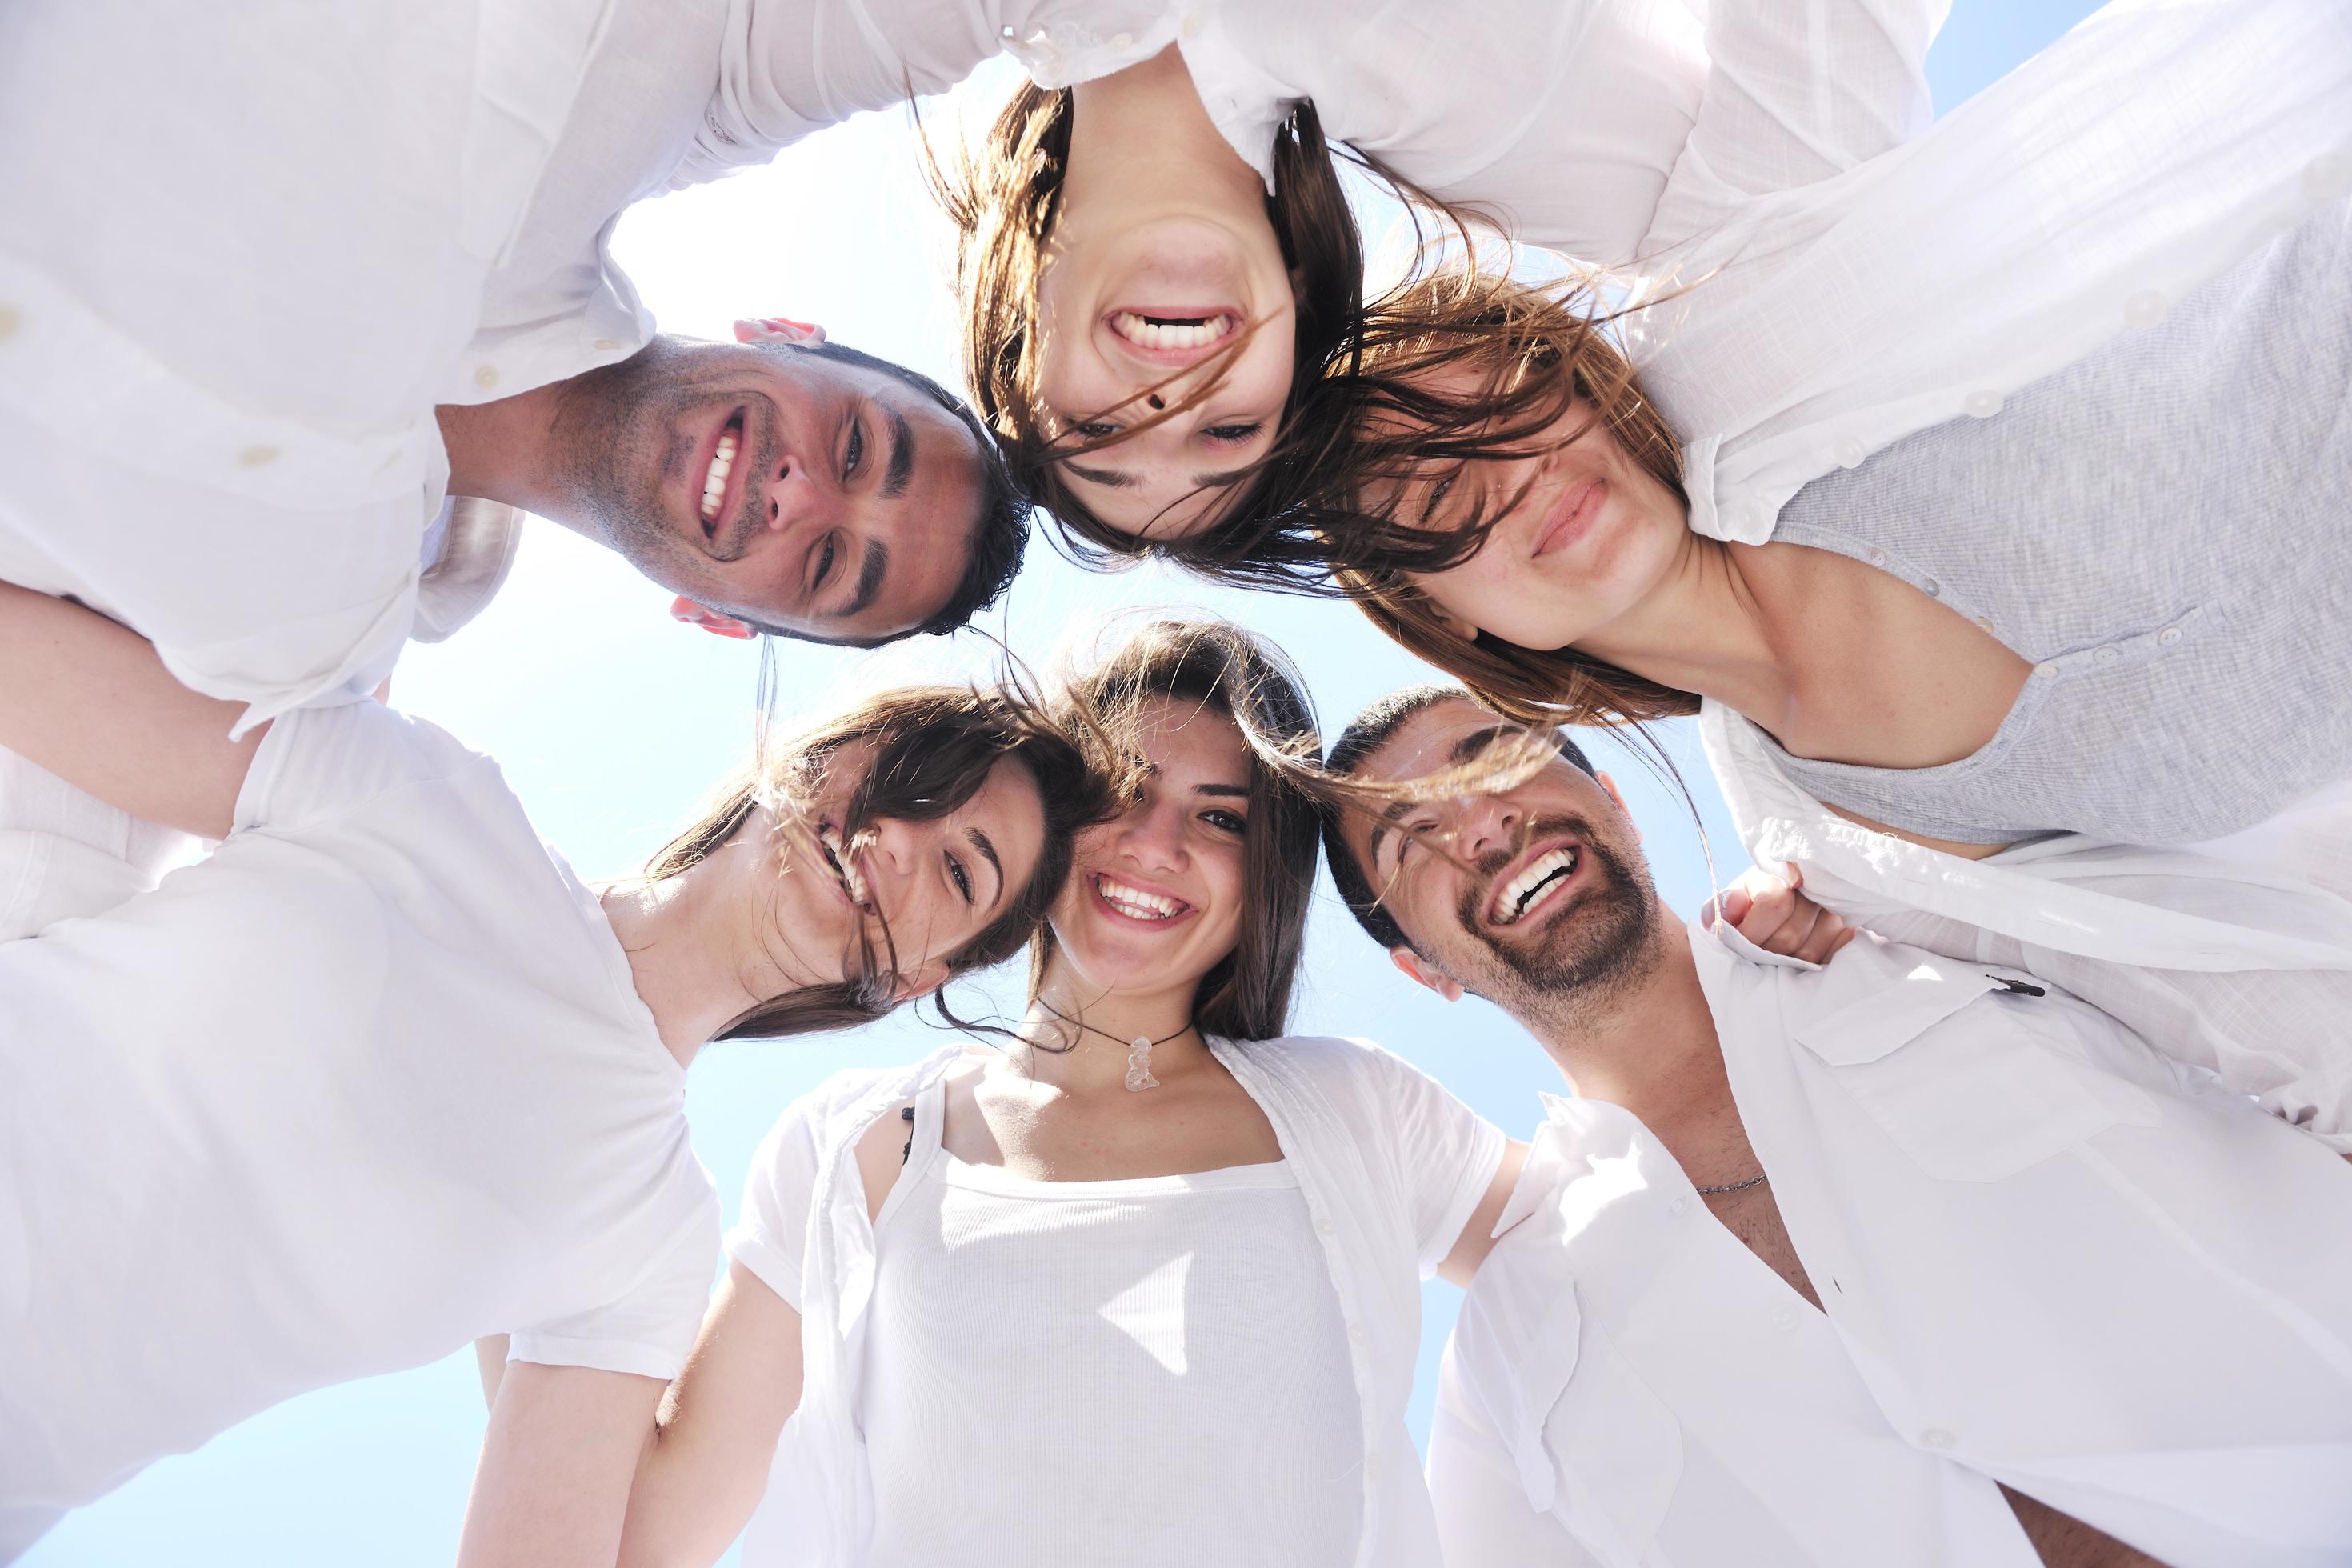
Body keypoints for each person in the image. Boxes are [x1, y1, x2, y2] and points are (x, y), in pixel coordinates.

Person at [0, 581, 1103, 1563]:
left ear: (921, 979)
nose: (898, 842)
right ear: (825, 748)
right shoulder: (426, 793)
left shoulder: (644, 1232)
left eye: (961, 870)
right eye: (909, 777)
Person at [0, 0, 1117, 943]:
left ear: (717, 618)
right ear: (790, 328)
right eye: (860, 447)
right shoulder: (629, 79)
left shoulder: (304, 668)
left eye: (828, 561)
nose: (800, 492)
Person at [538, 618, 1497, 1568]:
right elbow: (637, 1534)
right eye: (1124, 789)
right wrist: (542, 1103)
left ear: (1265, 877)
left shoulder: (1359, 1108)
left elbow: (1613, 1239)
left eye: (1220, 818)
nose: (1154, 842)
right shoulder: (854, 1148)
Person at [1323, 685, 2352, 1568]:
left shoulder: (1928, 931)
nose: (1477, 821)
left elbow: (2301, 971)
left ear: (1616, 800)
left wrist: (1904, 892)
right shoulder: (1506, 1371)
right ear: (1422, 968)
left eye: (1495, 757)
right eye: (1407, 839)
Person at [946, 0, 2345, 582]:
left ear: (1024, 341)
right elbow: (1819, 99)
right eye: (1224, 435)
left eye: (1103, 431)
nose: (1172, 399)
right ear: (1295, 353)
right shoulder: (1517, 145)